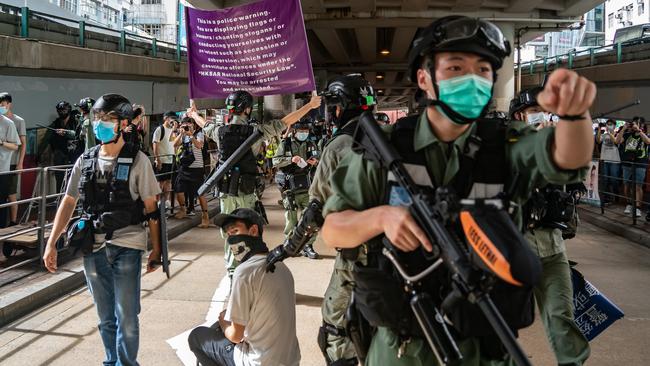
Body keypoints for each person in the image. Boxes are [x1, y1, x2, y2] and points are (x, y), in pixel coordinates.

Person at [321, 16, 596, 365]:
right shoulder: (386, 149)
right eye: (455, 67)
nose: (472, 79)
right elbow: (333, 230)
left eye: (483, 69)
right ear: (425, 78)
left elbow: (566, 158)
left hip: (488, 345)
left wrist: (575, 116)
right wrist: (380, 217)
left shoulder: (506, 146)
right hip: (404, 348)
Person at [42, 94, 162, 366]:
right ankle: (112, 362)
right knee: (106, 317)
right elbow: (69, 201)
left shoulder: (138, 161)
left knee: (127, 317)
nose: (100, 124)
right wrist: (52, 242)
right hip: (93, 247)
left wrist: (157, 249)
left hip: (128, 246)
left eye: (108, 119)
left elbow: (152, 208)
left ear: (124, 124)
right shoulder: (84, 160)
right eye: (97, 118)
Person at [189, 91, 322, 276]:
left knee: (230, 231)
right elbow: (284, 122)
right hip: (246, 191)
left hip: (226, 193)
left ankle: (232, 273)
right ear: (248, 109)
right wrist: (310, 105)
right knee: (249, 230)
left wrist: (193, 113)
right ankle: (248, 270)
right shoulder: (256, 132)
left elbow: (205, 125)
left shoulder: (219, 131)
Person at [511, 89, 591, 366]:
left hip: (553, 248)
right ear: (519, 115)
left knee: (561, 316)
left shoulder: (557, 144)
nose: (540, 114)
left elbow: (574, 178)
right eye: (534, 109)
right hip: (513, 251)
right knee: (498, 324)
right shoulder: (506, 147)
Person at [312, 73, 377, 366]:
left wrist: (285, 250)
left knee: (335, 330)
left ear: (341, 106)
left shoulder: (339, 145)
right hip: (394, 256)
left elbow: (316, 207)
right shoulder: (389, 138)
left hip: (355, 255)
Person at [188, 208, 300, 366]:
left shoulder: (244, 272)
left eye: (235, 231)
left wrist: (223, 322)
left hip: (258, 361)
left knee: (197, 336)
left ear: (253, 230)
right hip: (290, 360)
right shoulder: (281, 266)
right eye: (228, 235)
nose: (231, 239)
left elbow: (235, 336)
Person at [273, 117, 320, 259]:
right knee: (291, 219)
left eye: (305, 131)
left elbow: (320, 160)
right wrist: (290, 160)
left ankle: (308, 245)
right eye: (301, 131)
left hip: (307, 186)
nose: (303, 133)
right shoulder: (285, 144)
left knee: (311, 217)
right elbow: (275, 161)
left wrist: (315, 162)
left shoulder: (312, 144)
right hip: (290, 188)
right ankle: (290, 244)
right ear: (294, 132)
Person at [173, 116, 211, 228]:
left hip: (196, 168)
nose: (186, 127)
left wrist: (191, 135)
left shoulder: (199, 134)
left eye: (188, 125)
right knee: (178, 189)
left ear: (194, 125)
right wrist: (181, 133)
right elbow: (175, 145)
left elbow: (199, 145)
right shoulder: (183, 135)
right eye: (184, 125)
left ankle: (205, 216)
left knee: (200, 193)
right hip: (185, 167)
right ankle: (183, 209)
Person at [0, 92, 26, 227]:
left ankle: (12, 222)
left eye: (2, 104)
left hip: (10, 164)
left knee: (10, 194)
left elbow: (20, 144)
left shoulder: (15, 121)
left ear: (9, 104)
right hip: (4, 163)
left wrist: (20, 163)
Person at [615, 116, 650, 217]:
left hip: (640, 163)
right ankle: (629, 204)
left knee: (638, 186)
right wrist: (624, 128)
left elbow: (648, 142)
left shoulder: (644, 135)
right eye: (633, 123)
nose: (633, 125)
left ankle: (638, 207)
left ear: (641, 125)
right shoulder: (626, 135)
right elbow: (617, 141)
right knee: (626, 185)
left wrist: (639, 130)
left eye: (636, 123)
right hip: (627, 163)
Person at [46, 101, 80, 191]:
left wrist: (65, 133)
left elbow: (78, 135)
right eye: (59, 111)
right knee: (60, 180)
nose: (61, 113)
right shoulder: (56, 123)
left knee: (73, 180)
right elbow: (49, 139)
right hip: (60, 155)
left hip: (73, 155)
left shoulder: (76, 122)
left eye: (64, 110)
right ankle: (60, 200)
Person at [0, 112, 20, 230]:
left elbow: (15, 145)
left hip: (2, 169)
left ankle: (2, 232)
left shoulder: (8, 123)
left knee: (1, 201)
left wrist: (2, 142)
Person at [152, 111, 177, 206]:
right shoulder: (159, 129)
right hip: (162, 160)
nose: (173, 121)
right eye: (172, 118)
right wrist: (157, 159)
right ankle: (157, 204)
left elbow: (174, 143)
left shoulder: (173, 130)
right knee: (160, 182)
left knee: (168, 182)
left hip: (171, 159)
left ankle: (166, 202)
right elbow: (155, 144)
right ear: (166, 118)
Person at [596, 119, 621, 204]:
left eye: (610, 124)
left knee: (614, 180)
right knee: (605, 180)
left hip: (614, 161)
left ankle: (616, 195)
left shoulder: (618, 134)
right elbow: (598, 140)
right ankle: (607, 198)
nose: (609, 126)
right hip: (604, 160)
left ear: (614, 126)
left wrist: (610, 133)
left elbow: (616, 141)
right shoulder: (604, 135)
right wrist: (599, 129)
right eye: (607, 124)